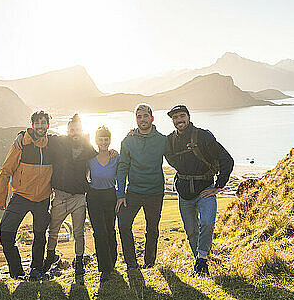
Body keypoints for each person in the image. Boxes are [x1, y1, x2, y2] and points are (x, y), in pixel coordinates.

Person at [14, 114, 117, 283]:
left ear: (81, 130)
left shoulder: (87, 146)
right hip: (60, 196)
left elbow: (100, 153)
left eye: (77, 129)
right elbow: (39, 135)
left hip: (78, 198)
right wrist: (20, 134)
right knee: (53, 230)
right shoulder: (58, 141)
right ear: (68, 130)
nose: (75, 132)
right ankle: (50, 258)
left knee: (78, 233)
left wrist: (112, 151)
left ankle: (79, 263)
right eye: (72, 129)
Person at [165, 104, 234, 276]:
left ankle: (202, 259)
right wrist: (133, 133)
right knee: (191, 231)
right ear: (172, 121)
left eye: (182, 116)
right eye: (175, 118)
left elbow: (227, 159)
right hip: (184, 193)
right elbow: (151, 141)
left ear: (188, 116)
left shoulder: (203, 136)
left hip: (205, 189)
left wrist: (219, 186)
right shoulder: (169, 140)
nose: (179, 120)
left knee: (207, 223)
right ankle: (200, 265)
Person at [0, 111, 53, 281]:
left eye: (43, 123)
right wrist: (1, 198)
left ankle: (36, 270)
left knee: (40, 236)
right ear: (32, 125)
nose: (40, 126)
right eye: (37, 123)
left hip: (43, 198)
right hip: (20, 196)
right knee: (5, 234)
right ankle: (17, 272)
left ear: (48, 125)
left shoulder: (53, 145)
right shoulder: (21, 144)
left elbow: (76, 141)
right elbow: (5, 170)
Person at [116, 104, 166, 270]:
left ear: (152, 118)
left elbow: (177, 158)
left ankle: (149, 263)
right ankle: (131, 264)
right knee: (123, 224)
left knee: (152, 228)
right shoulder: (128, 140)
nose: (142, 119)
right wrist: (120, 194)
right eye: (139, 116)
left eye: (145, 116)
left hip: (155, 192)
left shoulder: (163, 140)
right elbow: (122, 167)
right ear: (135, 119)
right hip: (133, 192)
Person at [87, 126, 119, 282]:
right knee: (99, 232)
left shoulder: (115, 157)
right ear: (96, 140)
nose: (104, 142)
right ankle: (104, 269)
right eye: (101, 139)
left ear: (110, 140)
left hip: (110, 195)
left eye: (106, 139)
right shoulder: (90, 157)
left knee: (110, 231)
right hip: (94, 197)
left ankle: (112, 262)